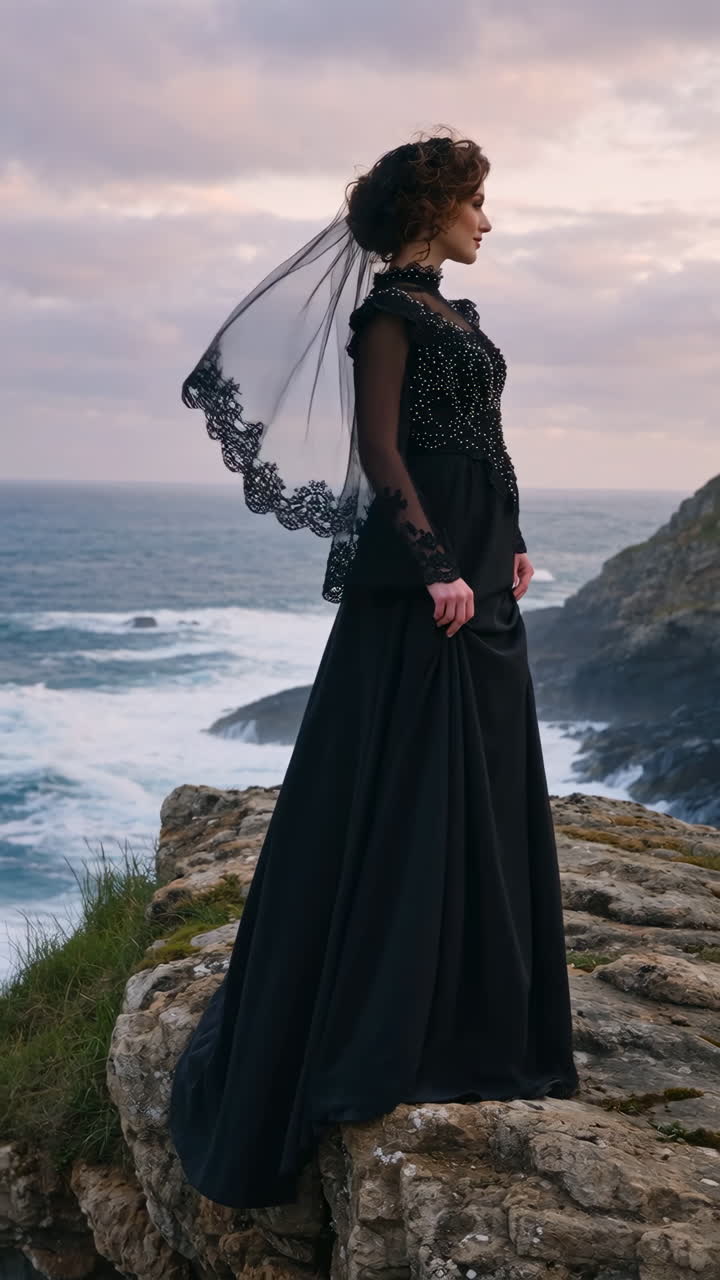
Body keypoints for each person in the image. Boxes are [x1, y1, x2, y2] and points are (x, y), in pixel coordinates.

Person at [168, 129, 579, 1210]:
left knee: (482, 788)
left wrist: (515, 535)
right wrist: (439, 563)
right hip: (424, 578)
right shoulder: (388, 314)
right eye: (476, 203)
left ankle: (478, 1009)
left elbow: (486, 434)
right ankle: (393, 1022)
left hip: (484, 564)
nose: (488, 220)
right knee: (410, 794)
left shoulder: (462, 314)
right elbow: (382, 451)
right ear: (433, 207)